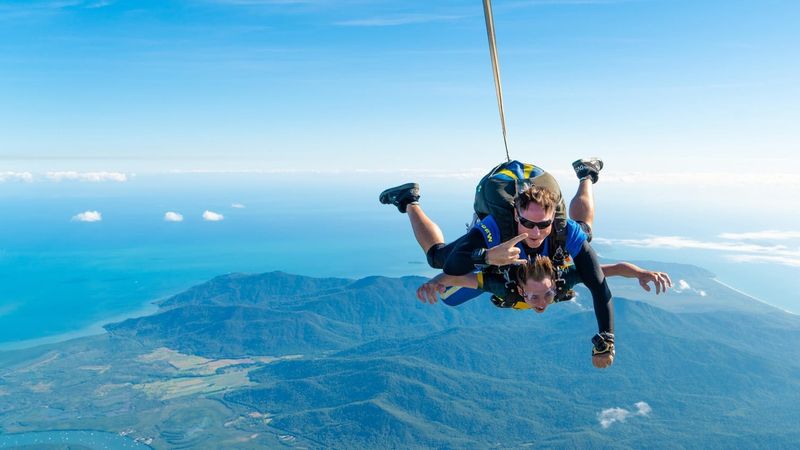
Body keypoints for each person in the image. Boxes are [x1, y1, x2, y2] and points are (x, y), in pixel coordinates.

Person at [380, 158, 617, 368]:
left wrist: (607, 337)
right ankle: (409, 199)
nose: (535, 232)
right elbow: (451, 266)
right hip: (498, 198)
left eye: (544, 225)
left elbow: (598, 285)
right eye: (527, 223)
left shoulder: (565, 231)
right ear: (515, 215)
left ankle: (586, 172)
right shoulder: (495, 228)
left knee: (585, 232)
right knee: (436, 258)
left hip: (537, 192)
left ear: (553, 217)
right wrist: (487, 256)